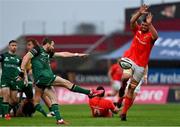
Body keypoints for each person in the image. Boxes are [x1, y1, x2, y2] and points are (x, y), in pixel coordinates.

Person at [18, 38, 103, 125]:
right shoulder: (38, 49)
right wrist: (21, 71)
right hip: (44, 77)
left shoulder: (48, 53)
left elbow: (63, 54)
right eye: (52, 45)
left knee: (53, 98)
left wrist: (77, 54)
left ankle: (59, 120)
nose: (53, 47)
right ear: (47, 44)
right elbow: (26, 57)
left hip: (40, 81)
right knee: (67, 83)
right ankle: (89, 92)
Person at [119, 4, 158, 121]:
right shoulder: (137, 31)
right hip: (131, 60)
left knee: (131, 89)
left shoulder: (150, 37)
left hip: (141, 67)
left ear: (149, 26)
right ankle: (122, 86)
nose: (143, 26)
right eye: (143, 24)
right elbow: (131, 21)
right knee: (125, 76)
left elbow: (156, 36)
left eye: (146, 25)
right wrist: (140, 13)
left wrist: (150, 24)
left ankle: (124, 113)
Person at [0, 40, 22, 120]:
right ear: (9, 46)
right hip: (5, 80)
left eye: (15, 45)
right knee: (6, 96)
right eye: (12, 45)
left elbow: (23, 69)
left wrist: (24, 77)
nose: (14, 47)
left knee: (14, 100)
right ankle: (6, 115)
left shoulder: (18, 58)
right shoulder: (3, 56)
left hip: (14, 81)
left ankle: (7, 111)